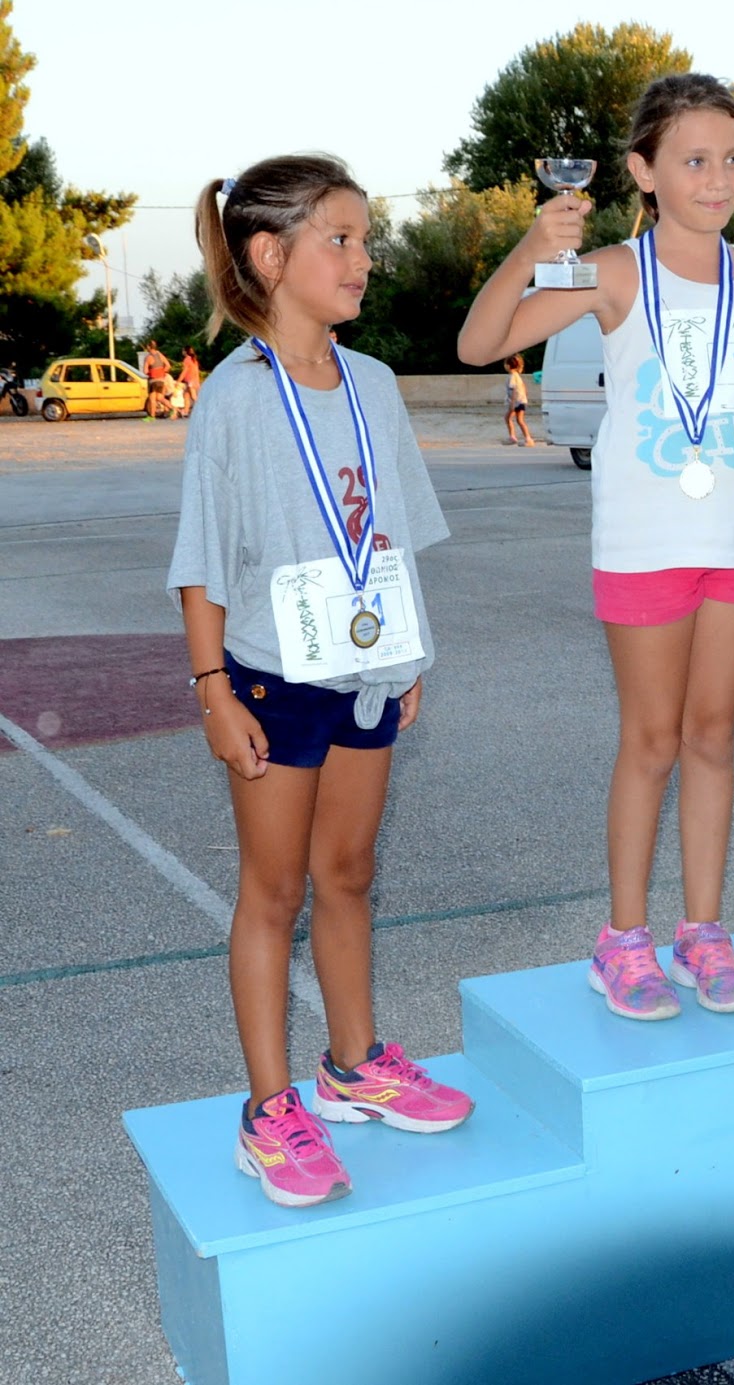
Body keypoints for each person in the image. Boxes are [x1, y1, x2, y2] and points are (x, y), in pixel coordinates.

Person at [458, 73, 734, 1021]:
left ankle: (703, 931)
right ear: (644, 171)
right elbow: (478, 343)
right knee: (653, 741)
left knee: (713, 738)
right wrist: (535, 247)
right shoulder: (613, 272)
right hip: (644, 546)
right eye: (694, 160)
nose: (718, 178)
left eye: (733, 159)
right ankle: (622, 939)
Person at [167, 154, 472, 1210]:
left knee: (348, 872)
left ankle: (354, 1065)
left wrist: (407, 652)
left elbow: (391, 534)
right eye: (340, 239)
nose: (363, 259)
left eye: (364, 240)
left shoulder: (375, 384)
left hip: (367, 672)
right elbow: (201, 563)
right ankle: (268, 1109)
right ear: (269, 255)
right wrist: (212, 688)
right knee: (276, 891)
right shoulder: (233, 399)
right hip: (270, 679)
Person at [503, 353, 534, 445]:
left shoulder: (512, 377)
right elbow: (523, 387)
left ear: (508, 366)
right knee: (518, 420)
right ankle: (525, 438)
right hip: (521, 401)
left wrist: (512, 404)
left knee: (509, 418)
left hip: (516, 402)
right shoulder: (517, 376)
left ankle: (517, 438)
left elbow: (513, 390)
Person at [144, 340, 171, 419]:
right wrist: (162, 372)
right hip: (161, 380)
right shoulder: (160, 355)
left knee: (152, 398)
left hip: (153, 380)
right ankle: (173, 408)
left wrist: (151, 372)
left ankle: (152, 416)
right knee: (160, 398)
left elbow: (145, 371)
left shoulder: (148, 357)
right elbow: (168, 366)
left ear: (149, 347)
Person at [178, 345, 202, 413]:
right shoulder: (194, 360)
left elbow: (184, 372)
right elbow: (197, 371)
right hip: (194, 380)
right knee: (186, 396)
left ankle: (202, 409)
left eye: (183, 350)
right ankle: (185, 411)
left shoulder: (187, 360)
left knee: (194, 396)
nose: (182, 352)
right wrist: (197, 381)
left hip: (190, 381)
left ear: (186, 351)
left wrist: (178, 381)